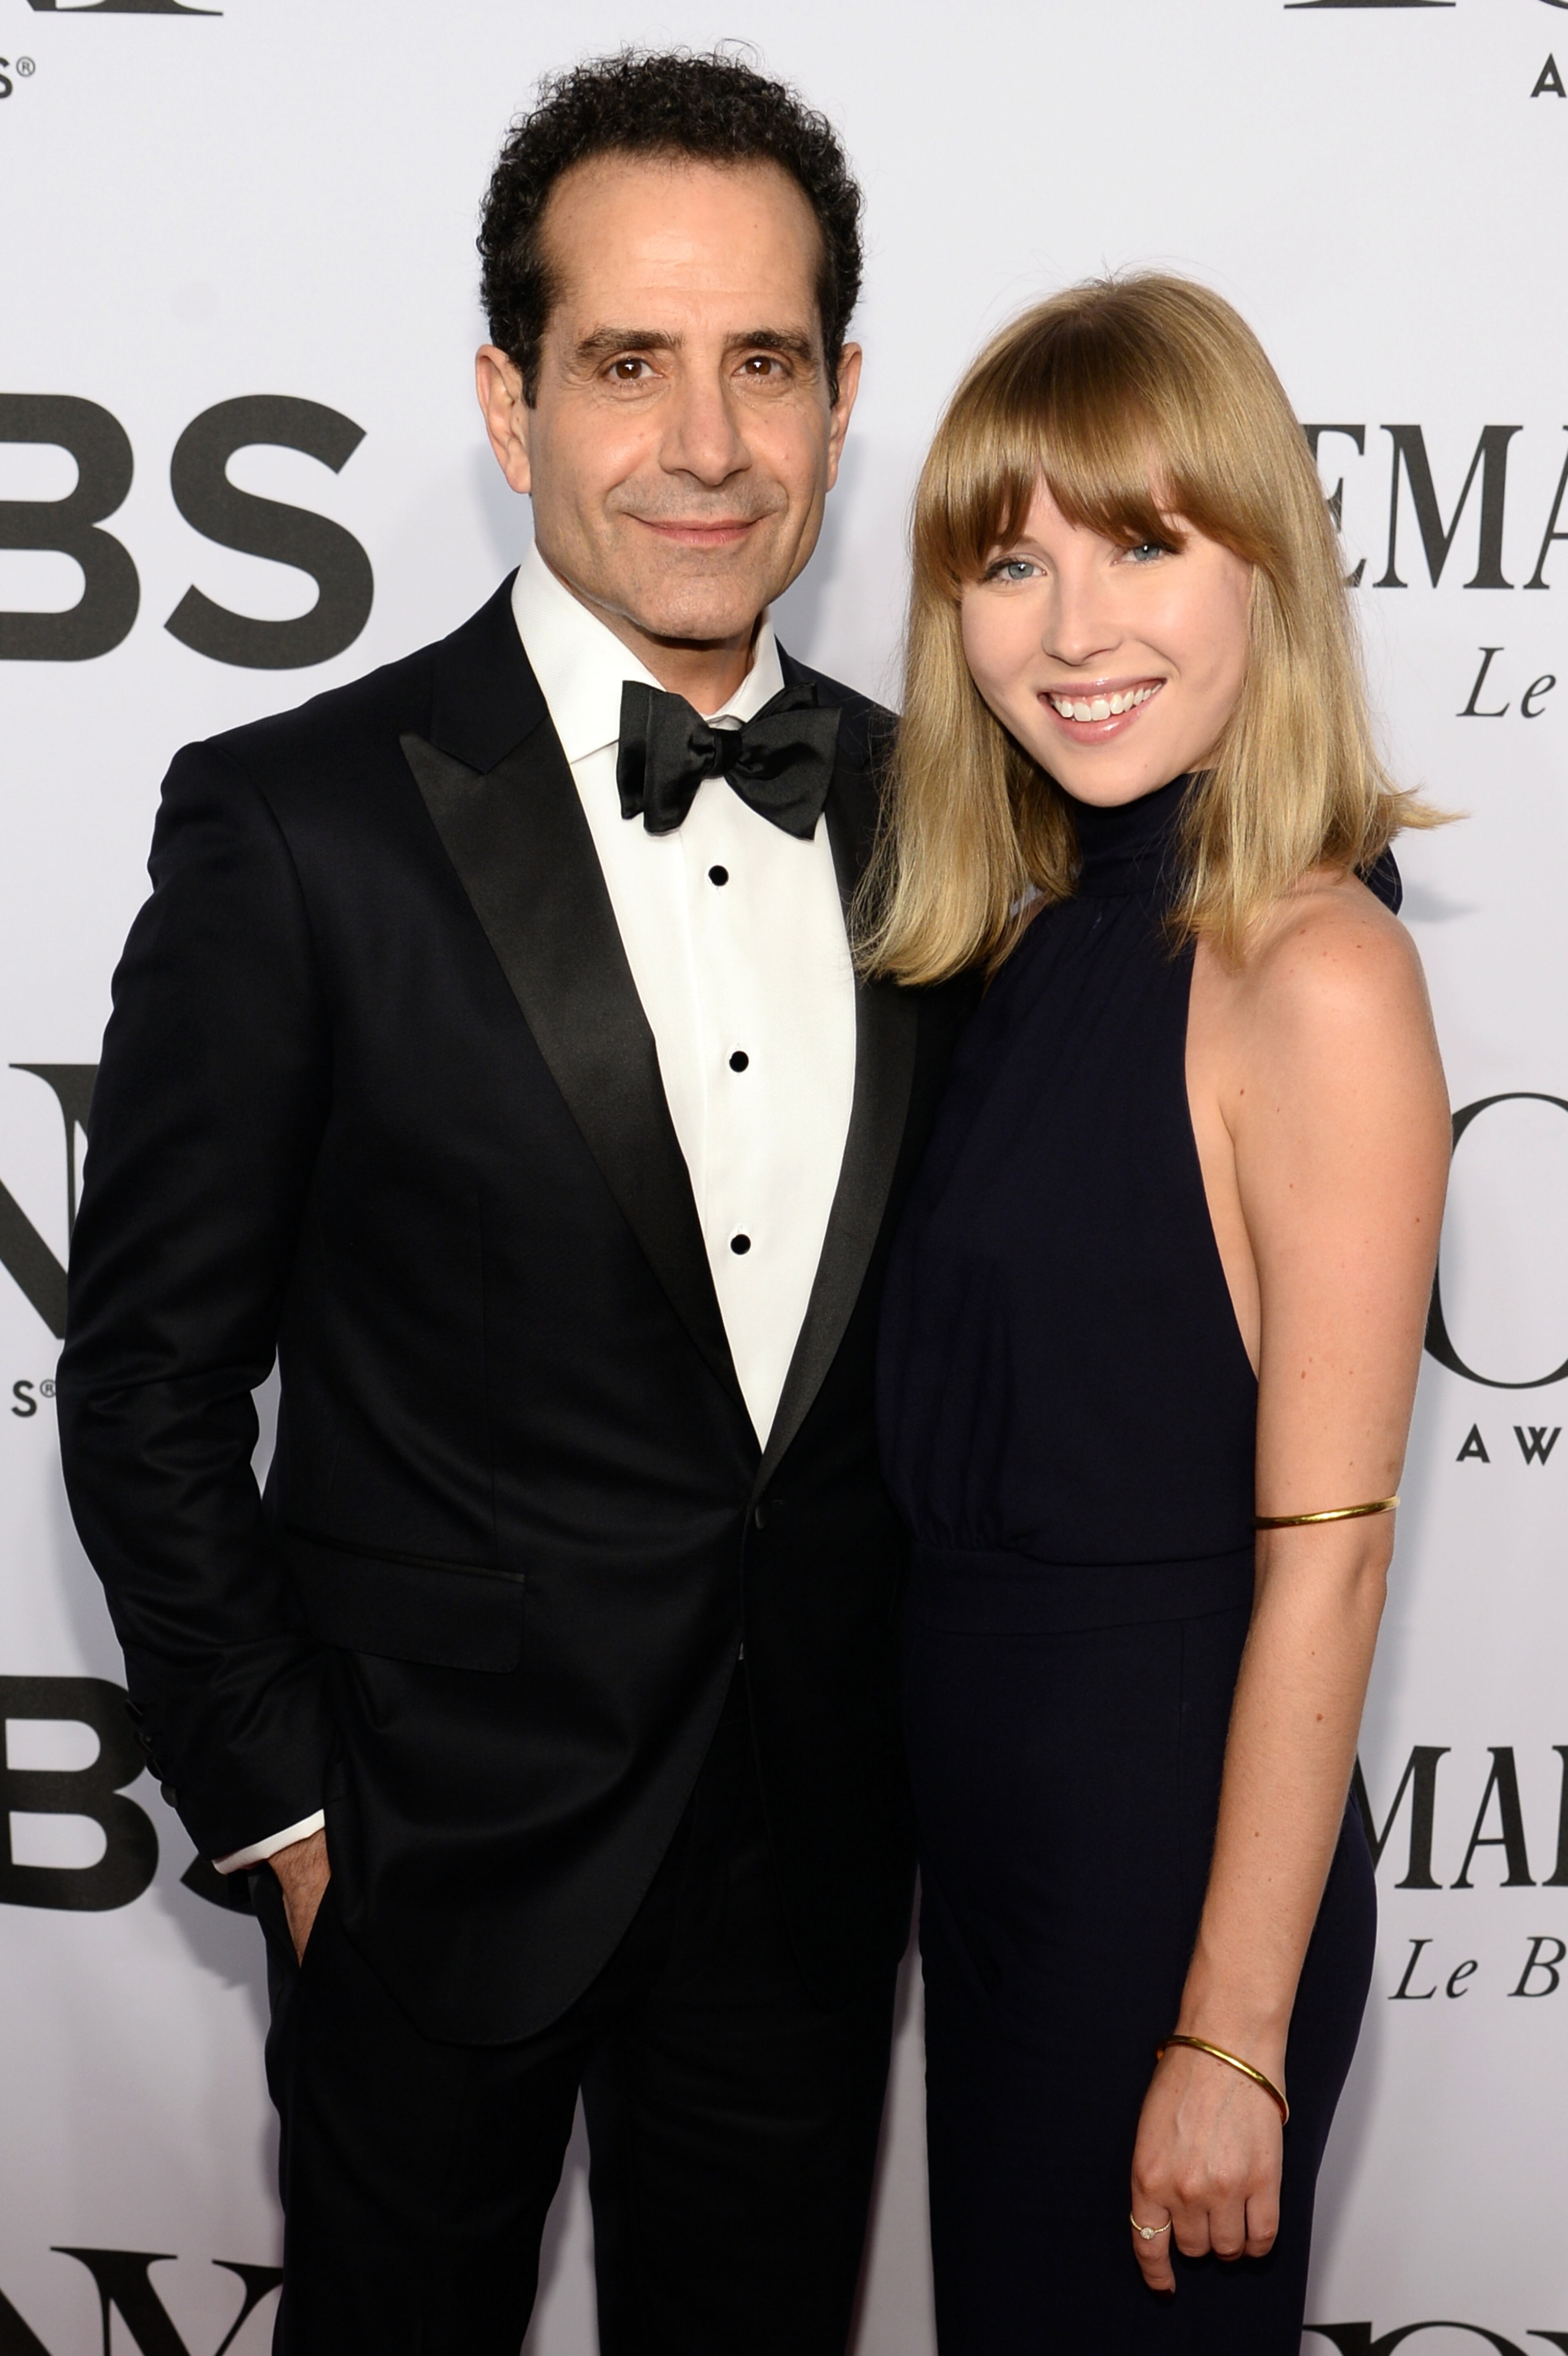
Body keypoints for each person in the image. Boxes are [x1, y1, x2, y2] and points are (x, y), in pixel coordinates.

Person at [56, 50, 969, 2355]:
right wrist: (284, 1817)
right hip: (425, 1861)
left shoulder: (949, 820)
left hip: (808, 1857)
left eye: (765, 361)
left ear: (845, 400)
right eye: (628, 362)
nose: (704, 441)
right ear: (509, 395)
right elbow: (149, 1370)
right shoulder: (300, 827)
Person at [865, 274, 1452, 2351]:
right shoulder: (1028, 955)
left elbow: (1332, 1552)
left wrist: (1231, 2031)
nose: (1072, 627)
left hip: (1167, 1870)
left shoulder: (1319, 976)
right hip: (1005, 1860)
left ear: (1268, 566)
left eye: (1142, 544)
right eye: (1011, 562)